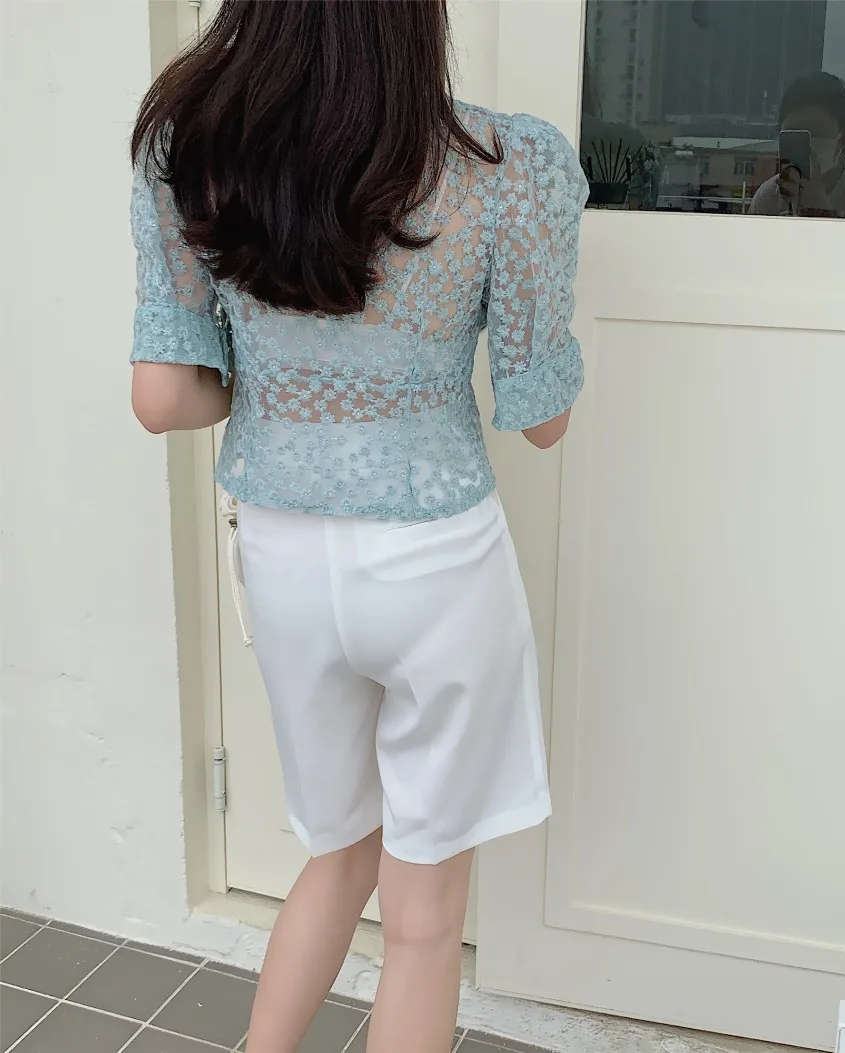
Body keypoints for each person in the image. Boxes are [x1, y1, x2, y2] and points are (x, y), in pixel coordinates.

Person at [127, 3, 588, 1051]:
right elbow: (541, 417)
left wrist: (277, 390)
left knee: (336, 854)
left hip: (284, 557)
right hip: (436, 563)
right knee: (422, 922)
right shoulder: (504, 165)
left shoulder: (196, 156)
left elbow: (163, 398)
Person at [750, 71, 845, 221]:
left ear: (844, 137)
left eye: (816, 133)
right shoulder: (768, 197)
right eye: (794, 134)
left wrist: (817, 206)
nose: (807, 146)